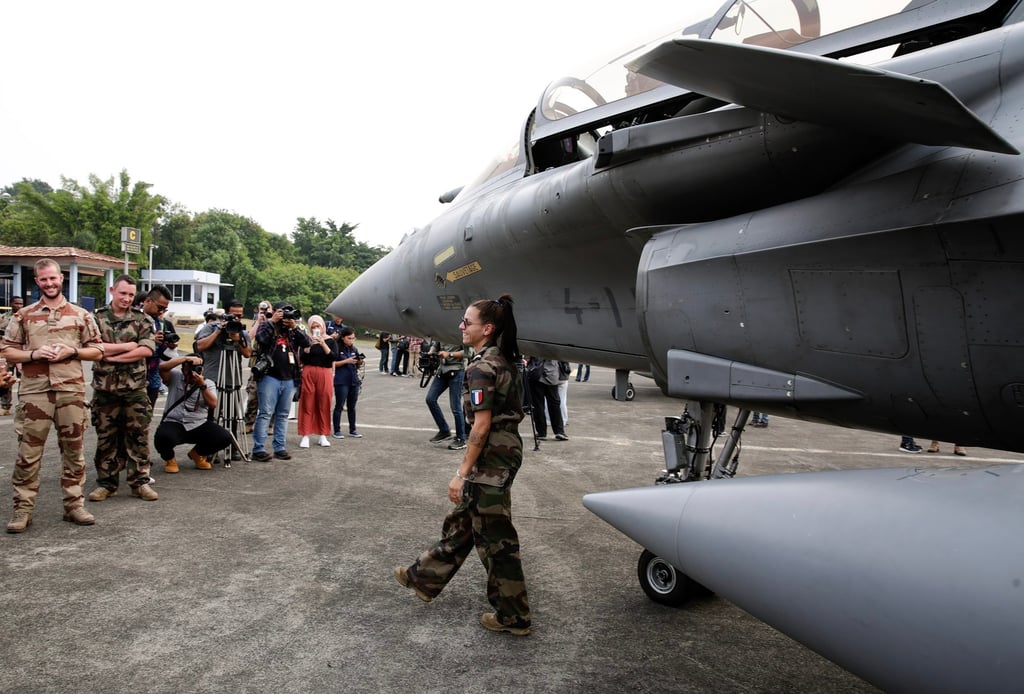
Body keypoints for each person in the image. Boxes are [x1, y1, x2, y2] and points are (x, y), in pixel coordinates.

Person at [394, 294, 531, 636]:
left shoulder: (482, 367)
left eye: (466, 322)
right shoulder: (504, 359)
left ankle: (514, 617)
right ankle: (423, 577)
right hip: (503, 452)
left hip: (492, 458)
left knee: (495, 539)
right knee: (465, 520)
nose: (461, 327)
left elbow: (481, 426)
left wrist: (461, 472)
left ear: (486, 328)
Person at [3, 258, 104, 532]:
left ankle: (74, 506)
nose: (49, 283)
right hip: (35, 393)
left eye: (53, 278)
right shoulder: (22, 315)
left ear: (62, 279)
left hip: (70, 391)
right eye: (43, 279)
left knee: (73, 451)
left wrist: (73, 352)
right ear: (37, 282)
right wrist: (33, 354)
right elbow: (8, 350)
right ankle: (23, 510)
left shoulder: (81, 315)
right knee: (28, 453)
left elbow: (97, 350)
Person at [88, 274, 158, 503]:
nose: (127, 298)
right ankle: (107, 483)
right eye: (123, 293)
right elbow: (91, 347)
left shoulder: (142, 319)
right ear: (112, 291)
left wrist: (112, 356)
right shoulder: (96, 318)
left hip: (134, 388)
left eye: (130, 294)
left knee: (138, 436)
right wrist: (128, 346)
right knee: (106, 436)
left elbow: (146, 350)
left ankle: (140, 482)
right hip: (105, 389)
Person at [154, 354, 233, 472]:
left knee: (224, 437)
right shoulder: (175, 377)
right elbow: (162, 368)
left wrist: (202, 386)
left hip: (197, 423)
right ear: (182, 370)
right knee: (162, 437)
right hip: (174, 422)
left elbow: (213, 404)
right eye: (189, 369)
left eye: (197, 368)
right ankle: (169, 459)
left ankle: (197, 454)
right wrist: (185, 358)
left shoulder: (208, 383)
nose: (192, 372)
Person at [251, 301, 309, 462]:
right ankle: (258, 449)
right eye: (283, 312)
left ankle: (279, 448)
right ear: (275, 312)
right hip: (270, 376)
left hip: (289, 377)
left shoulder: (292, 331)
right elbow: (261, 338)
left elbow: (307, 343)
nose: (286, 316)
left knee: (283, 415)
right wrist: (272, 321)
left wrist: (294, 326)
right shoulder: (267, 325)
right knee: (265, 413)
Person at [195, 299, 252, 461]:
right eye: (233, 315)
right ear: (225, 313)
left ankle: (233, 448)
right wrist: (218, 332)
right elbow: (199, 346)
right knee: (212, 417)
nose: (236, 319)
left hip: (232, 379)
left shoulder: (241, 332)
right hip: (213, 379)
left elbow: (248, 353)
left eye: (240, 316)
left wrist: (237, 338)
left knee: (233, 417)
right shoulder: (211, 327)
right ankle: (209, 449)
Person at [297, 315, 339, 448]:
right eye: (313, 327)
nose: (316, 329)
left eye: (318, 326)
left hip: (325, 372)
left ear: (323, 327)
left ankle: (323, 434)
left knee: (324, 403)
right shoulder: (307, 340)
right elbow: (302, 358)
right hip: (309, 372)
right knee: (307, 403)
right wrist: (307, 348)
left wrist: (323, 343)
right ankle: (305, 435)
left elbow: (333, 357)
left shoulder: (331, 341)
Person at [424, 340, 469, 449]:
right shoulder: (442, 331)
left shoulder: (459, 331)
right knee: (430, 399)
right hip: (442, 370)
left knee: (455, 407)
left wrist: (450, 354)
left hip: (457, 371)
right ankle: (444, 431)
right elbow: (436, 344)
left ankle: (461, 438)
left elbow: (469, 352)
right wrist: (431, 352)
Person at [141, 285, 177, 406]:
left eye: (164, 309)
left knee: (146, 418)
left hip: (153, 379)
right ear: (148, 301)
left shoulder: (160, 322)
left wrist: (170, 347)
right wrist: (152, 340)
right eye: (159, 307)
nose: (161, 312)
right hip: (134, 379)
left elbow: (163, 355)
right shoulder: (133, 320)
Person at [332, 326, 364, 439]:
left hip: (353, 380)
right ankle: (337, 430)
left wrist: (359, 362)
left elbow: (357, 364)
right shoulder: (336, 348)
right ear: (343, 338)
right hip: (341, 380)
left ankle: (352, 429)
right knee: (339, 406)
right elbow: (333, 363)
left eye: (353, 338)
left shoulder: (354, 349)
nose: (351, 340)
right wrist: (346, 361)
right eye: (349, 338)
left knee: (352, 406)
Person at [528, 357, 568, 441]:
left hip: (536, 375)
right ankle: (559, 431)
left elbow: (527, 356)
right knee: (554, 404)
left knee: (538, 405)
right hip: (552, 375)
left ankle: (542, 432)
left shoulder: (535, 344)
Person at [0, 296, 24, 414]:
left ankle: (23, 405)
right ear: (11, 304)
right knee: (6, 379)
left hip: (22, 354)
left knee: (23, 380)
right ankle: (5, 406)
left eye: (21, 304)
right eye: (16, 303)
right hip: (7, 354)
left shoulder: (26, 317)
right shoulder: (3, 318)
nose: (19, 306)